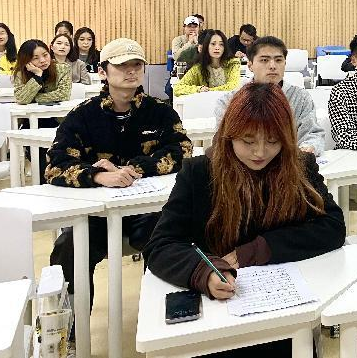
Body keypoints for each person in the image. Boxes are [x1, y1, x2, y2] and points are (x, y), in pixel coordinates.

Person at [144, 83, 344, 357]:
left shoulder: (299, 166)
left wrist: (262, 249)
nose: (260, 152)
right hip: (221, 313)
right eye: (248, 141)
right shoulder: (200, 173)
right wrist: (205, 272)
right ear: (229, 134)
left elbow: (333, 226)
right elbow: (161, 245)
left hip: (285, 309)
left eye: (272, 141)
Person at [47, 38, 192, 310]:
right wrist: (97, 175)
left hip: (148, 210)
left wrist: (136, 168)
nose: (131, 71)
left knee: (171, 240)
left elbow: (182, 150)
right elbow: (56, 163)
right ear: (103, 71)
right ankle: (72, 326)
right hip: (96, 214)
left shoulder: (160, 111)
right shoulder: (83, 115)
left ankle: (165, 315)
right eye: (122, 65)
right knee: (68, 248)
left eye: (137, 64)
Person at [215, 36, 326, 155]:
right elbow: (223, 141)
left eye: (278, 60)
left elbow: (312, 134)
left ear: (285, 64)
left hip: (290, 161)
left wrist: (307, 148)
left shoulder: (301, 98)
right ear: (250, 65)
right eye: (264, 60)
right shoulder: (229, 100)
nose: (272, 66)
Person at [174, 30, 240, 96]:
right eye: (213, 44)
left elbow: (233, 86)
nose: (217, 48)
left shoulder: (233, 63)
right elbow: (177, 89)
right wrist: (198, 89)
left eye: (221, 44)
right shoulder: (199, 67)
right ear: (206, 46)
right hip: (206, 101)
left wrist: (208, 91)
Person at [13, 39, 72, 104]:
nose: (42, 60)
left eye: (45, 55)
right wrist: (37, 76)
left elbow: (64, 95)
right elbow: (21, 99)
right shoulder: (21, 73)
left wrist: (33, 98)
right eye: (35, 58)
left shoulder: (63, 69)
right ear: (26, 61)